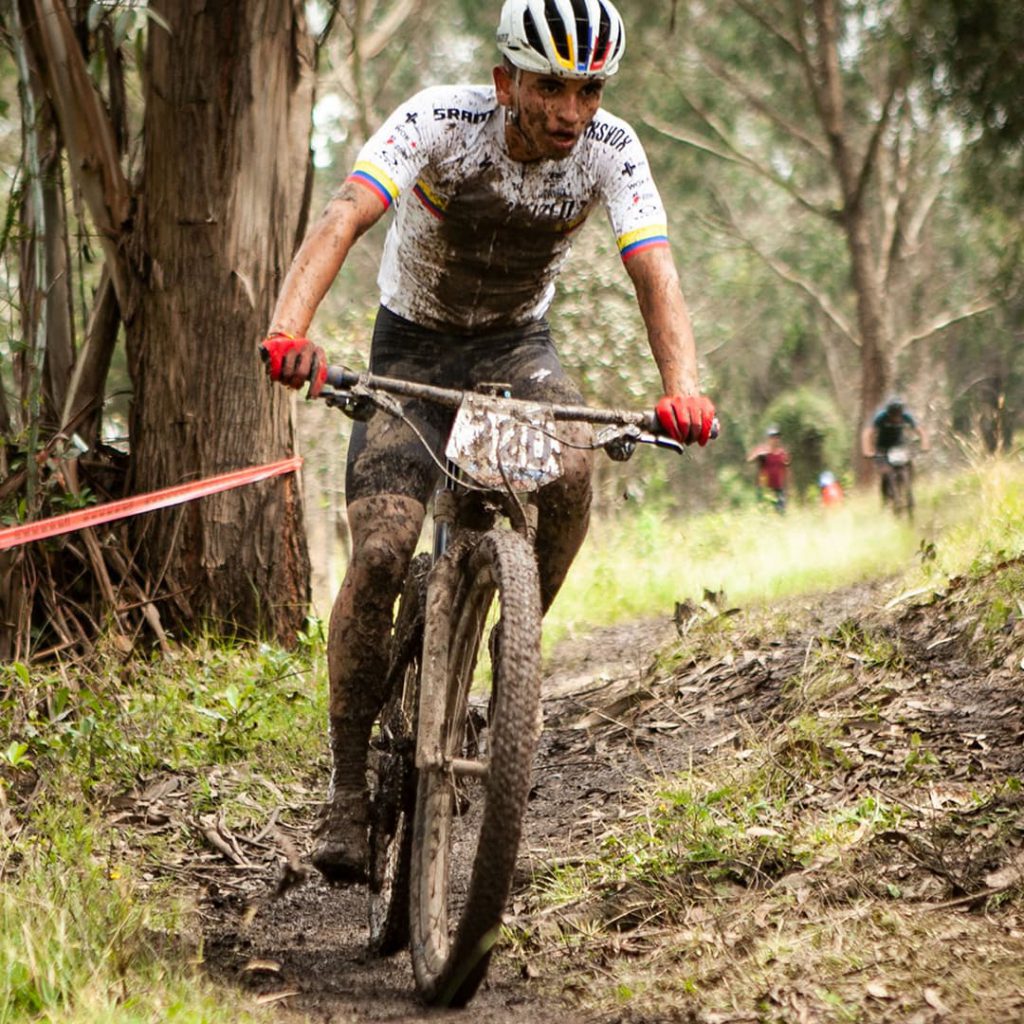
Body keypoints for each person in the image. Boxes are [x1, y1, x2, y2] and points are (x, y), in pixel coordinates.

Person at [259, 0, 716, 884]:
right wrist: (290, 329)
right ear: (506, 80)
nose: (569, 111)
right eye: (550, 86)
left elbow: (652, 266)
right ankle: (348, 791)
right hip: (414, 350)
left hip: (517, 351)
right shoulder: (438, 122)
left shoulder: (612, 149)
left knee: (576, 470)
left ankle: (512, 657)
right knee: (386, 550)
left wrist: (683, 390)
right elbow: (346, 216)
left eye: (588, 89)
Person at [861, 396, 929, 504]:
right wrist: (867, 451)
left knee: (908, 464)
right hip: (882, 447)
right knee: (885, 471)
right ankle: (885, 499)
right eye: (893, 415)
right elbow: (867, 433)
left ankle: (908, 486)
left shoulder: (906, 416)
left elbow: (921, 431)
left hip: (898, 446)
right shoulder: (881, 417)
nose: (896, 418)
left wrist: (925, 445)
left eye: (898, 415)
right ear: (889, 413)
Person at [746, 426, 789, 513]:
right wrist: (758, 455)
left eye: (777, 437)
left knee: (781, 511)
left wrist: (787, 486)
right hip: (764, 487)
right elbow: (749, 460)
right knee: (764, 511)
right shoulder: (762, 450)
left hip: (778, 487)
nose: (775, 439)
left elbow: (786, 469)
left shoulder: (782, 453)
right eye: (772, 437)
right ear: (768, 438)